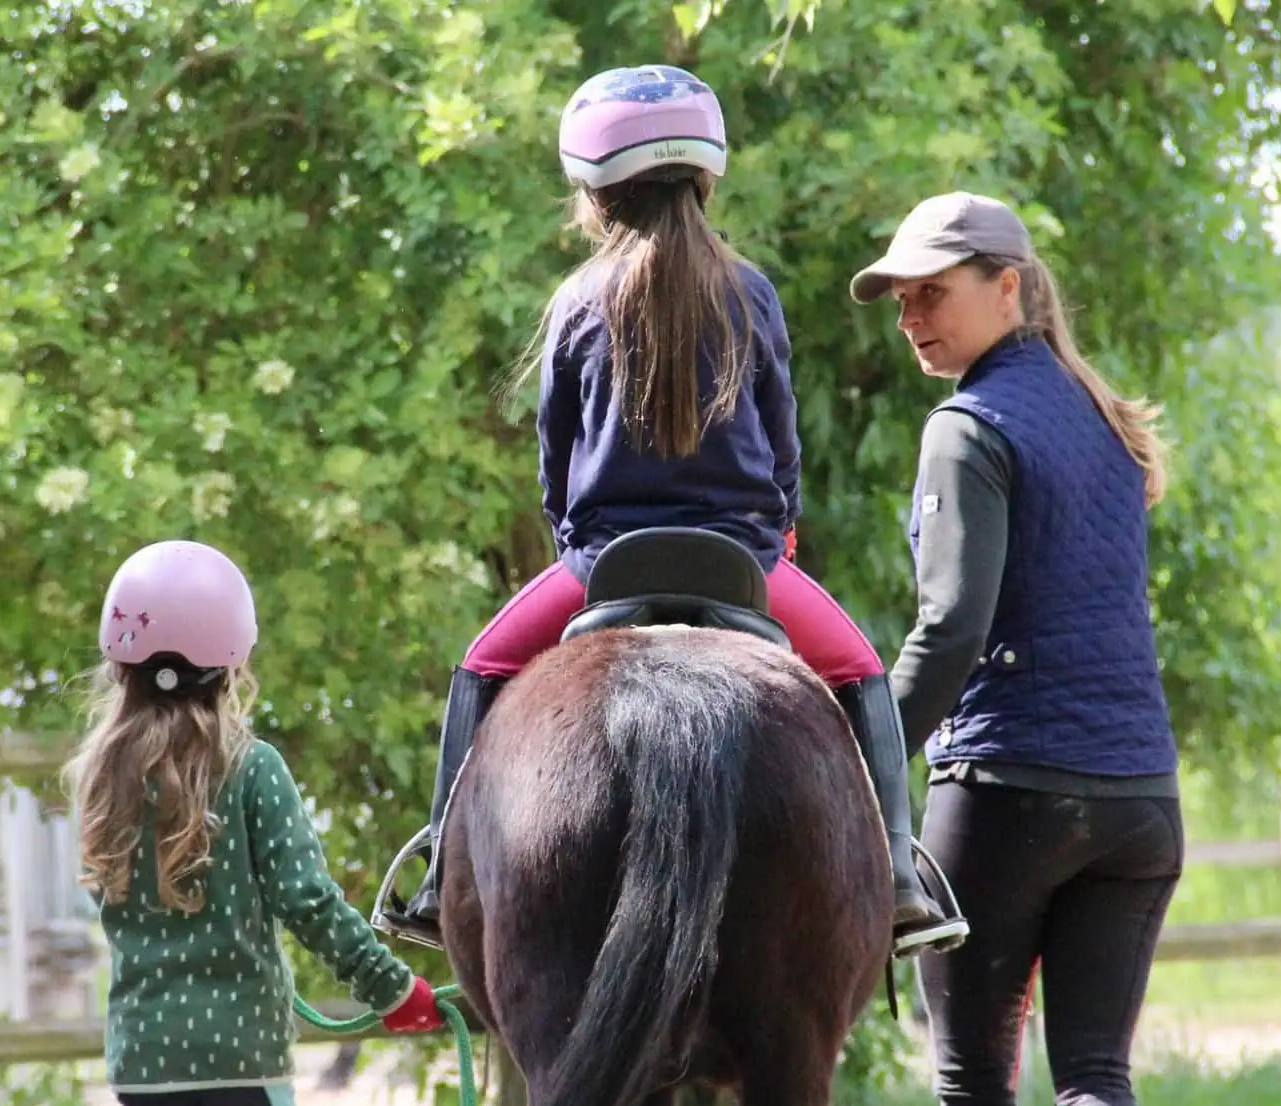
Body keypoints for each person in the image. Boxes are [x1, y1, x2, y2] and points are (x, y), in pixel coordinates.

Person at [375, 64, 967, 961]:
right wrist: (778, 539)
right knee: (861, 672)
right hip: (746, 561)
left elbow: (556, 469)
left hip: (603, 561)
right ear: (704, 174)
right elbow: (784, 448)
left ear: (596, 192)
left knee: (482, 663)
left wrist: (577, 549)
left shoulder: (576, 300)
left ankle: (431, 879)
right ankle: (897, 875)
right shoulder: (753, 292)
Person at [850, 192, 1187, 1106]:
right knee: (1093, 1071)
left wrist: (865, 754)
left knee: (971, 1079)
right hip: (1139, 797)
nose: (911, 318)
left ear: (1008, 284)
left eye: (931, 292)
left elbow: (947, 629)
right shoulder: (1098, 415)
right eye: (899, 300)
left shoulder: (966, 426)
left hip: (1009, 792)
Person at [68, 539, 446, 1106]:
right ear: (230, 659)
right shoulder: (252, 767)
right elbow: (307, 900)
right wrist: (393, 989)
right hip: (241, 1045)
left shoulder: (101, 773)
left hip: (144, 1053)